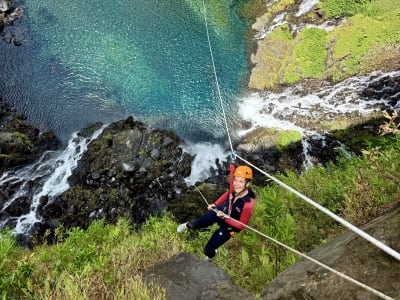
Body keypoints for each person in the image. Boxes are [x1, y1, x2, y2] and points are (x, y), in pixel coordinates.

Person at [177, 165, 256, 260]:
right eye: (235, 180)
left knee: (208, 249)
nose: (236, 184)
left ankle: (211, 256)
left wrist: (225, 218)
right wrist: (215, 204)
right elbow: (227, 194)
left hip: (230, 226)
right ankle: (186, 226)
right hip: (222, 210)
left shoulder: (248, 204)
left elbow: (241, 226)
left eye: (241, 181)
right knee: (197, 223)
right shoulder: (234, 189)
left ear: (247, 184)